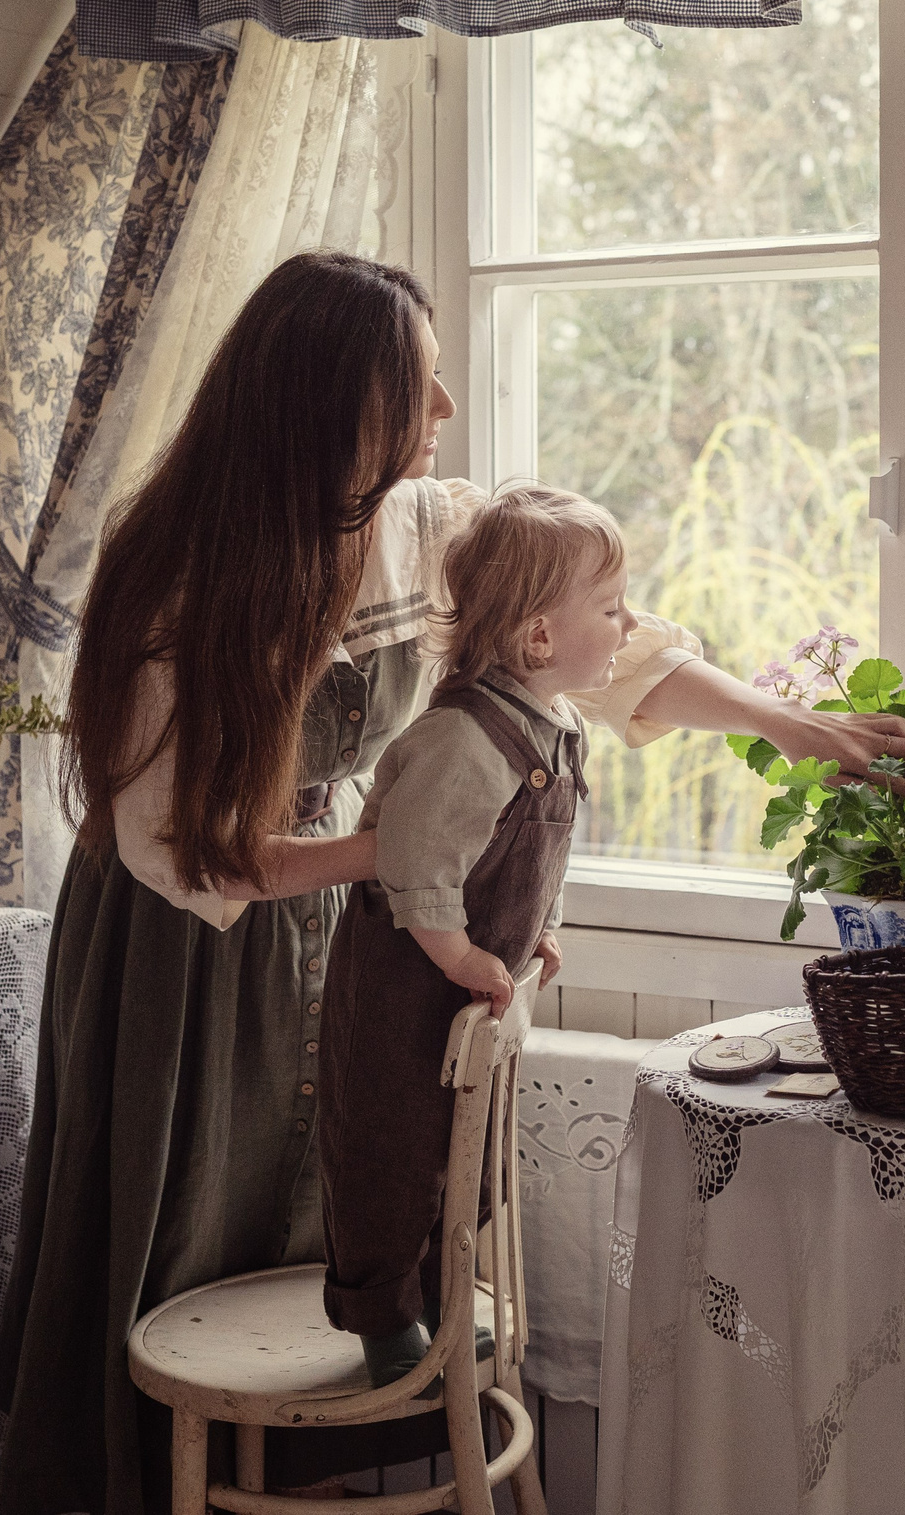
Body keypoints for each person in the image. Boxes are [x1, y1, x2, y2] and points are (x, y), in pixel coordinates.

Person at [0, 251, 905, 1513]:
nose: (446, 408)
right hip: (185, 956)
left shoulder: (419, 527)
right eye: (416, 385)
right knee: (194, 1230)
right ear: (329, 407)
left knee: (344, 1213)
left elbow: (589, 634)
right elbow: (196, 853)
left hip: (344, 913)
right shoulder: (176, 582)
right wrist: (412, 857)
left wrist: (787, 724)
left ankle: (301, 1494)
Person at [317, 485, 623, 1388]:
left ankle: (433, 1300)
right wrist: (456, 954)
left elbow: (540, 856)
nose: (629, 623)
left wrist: (543, 929)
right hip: (405, 993)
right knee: (390, 1154)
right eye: (611, 609)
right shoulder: (463, 738)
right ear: (540, 637)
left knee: (465, 1155)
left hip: (466, 999)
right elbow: (417, 862)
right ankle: (384, 1321)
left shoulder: (554, 726)